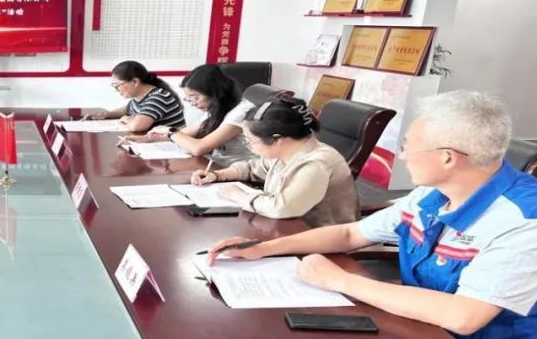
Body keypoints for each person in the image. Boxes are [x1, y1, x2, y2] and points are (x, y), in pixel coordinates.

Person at [207, 91, 537, 339]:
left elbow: (464, 317)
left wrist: (340, 280)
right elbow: (351, 235)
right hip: (420, 333)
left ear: (448, 158)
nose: (401, 156)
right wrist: (264, 248)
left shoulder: (528, 220)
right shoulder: (432, 194)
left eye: (407, 147)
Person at [191, 96, 358, 227]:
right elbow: (252, 168)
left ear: (277, 139)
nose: (249, 146)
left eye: (251, 141)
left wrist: (239, 195)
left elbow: (282, 208)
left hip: (319, 238)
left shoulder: (316, 165)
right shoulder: (286, 152)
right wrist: (217, 175)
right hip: (285, 227)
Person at [126, 64, 255, 165]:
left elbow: (198, 148)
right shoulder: (217, 109)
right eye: (189, 99)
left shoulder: (241, 112)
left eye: (195, 97)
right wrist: (147, 139)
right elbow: (186, 133)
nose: (193, 103)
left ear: (215, 93)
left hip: (239, 173)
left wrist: (170, 131)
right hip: (214, 167)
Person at [85, 60, 185, 132]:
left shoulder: (158, 97)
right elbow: (127, 109)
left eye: (117, 85)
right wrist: (106, 114)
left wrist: (126, 119)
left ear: (135, 81)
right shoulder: (141, 96)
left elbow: (137, 126)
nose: (117, 90)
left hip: (171, 147)